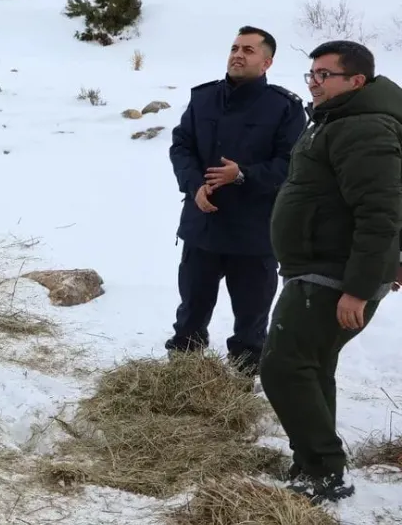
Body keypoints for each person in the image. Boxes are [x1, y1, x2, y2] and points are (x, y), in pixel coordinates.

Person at [262, 40, 402, 503]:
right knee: (312, 365)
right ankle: (314, 464)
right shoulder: (337, 120)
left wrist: (359, 289)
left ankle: (324, 469)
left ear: (356, 81)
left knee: (283, 367)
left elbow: (381, 211)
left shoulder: (363, 128)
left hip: (333, 276)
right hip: (322, 270)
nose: (314, 83)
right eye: (312, 74)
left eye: (325, 75)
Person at [167, 25, 307, 375]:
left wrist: (242, 174)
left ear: (267, 62)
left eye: (248, 50)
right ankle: (182, 371)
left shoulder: (284, 108)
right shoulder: (204, 98)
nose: (238, 55)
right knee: (191, 310)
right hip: (203, 224)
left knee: (251, 316)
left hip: (254, 232)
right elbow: (181, 146)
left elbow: (291, 165)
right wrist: (194, 185)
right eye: (234, 48)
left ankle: (243, 378)